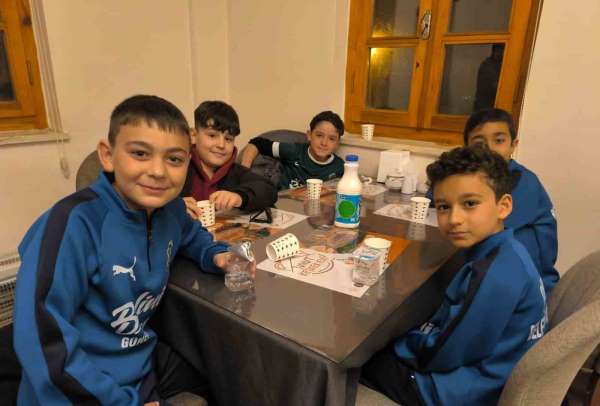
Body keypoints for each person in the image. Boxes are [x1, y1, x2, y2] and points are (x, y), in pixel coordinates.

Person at [13, 95, 239, 405]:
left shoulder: (172, 210)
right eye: (140, 154)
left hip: (138, 366)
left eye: (174, 159)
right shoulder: (72, 225)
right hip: (80, 388)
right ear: (107, 156)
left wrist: (215, 254)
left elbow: (191, 234)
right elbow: (42, 341)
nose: (158, 171)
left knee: (230, 370)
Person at [362, 146, 547, 405]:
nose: (454, 219)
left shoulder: (494, 275)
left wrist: (397, 342)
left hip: (456, 391)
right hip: (490, 371)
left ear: (503, 206)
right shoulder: (509, 251)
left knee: (361, 358)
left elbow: (443, 354)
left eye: (469, 203)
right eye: (444, 207)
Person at [464, 108, 559, 294]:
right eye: (478, 143)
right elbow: (434, 200)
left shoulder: (525, 182)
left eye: (499, 141)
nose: (489, 149)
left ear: (513, 145)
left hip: (532, 283)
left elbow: (484, 227)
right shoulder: (473, 175)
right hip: (490, 269)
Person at [181, 101, 277, 219]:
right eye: (212, 135)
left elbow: (269, 190)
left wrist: (239, 197)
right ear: (193, 136)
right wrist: (174, 207)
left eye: (228, 139)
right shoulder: (179, 168)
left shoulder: (235, 171)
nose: (221, 145)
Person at [240, 110, 345, 190]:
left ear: (337, 143)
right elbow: (256, 143)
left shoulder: (340, 167)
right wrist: (244, 170)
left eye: (332, 139)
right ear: (309, 135)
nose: (324, 143)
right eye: (319, 135)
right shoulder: (294, 151)